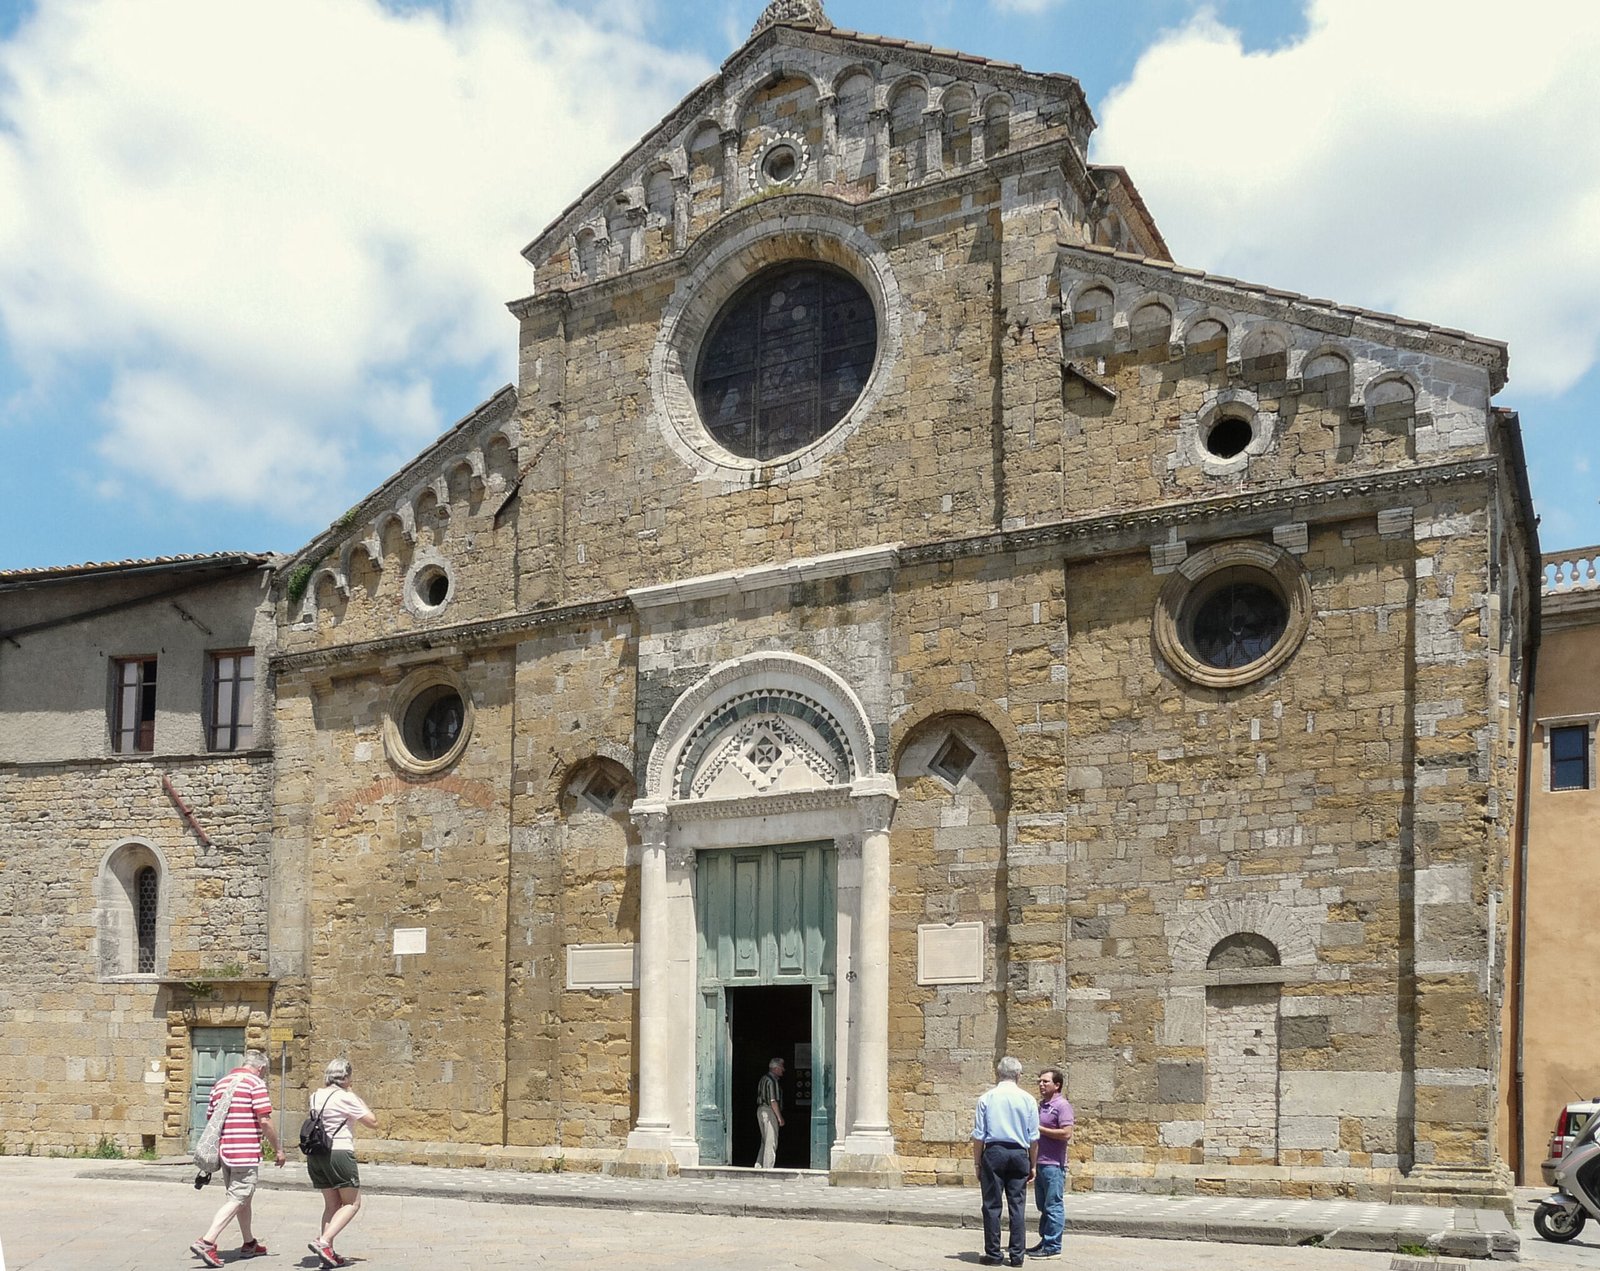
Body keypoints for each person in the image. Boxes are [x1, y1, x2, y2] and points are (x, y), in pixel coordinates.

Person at [190, 1049, 285, 1268]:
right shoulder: (255, 1084)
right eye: (264, 1072)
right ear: (260, 1068)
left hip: (226, 1151)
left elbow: (211, 1117)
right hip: (245, 1151)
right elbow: (265, 1121)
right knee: (238, 1197)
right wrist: (278, 1149)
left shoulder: (221, 1083)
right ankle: (207, 1241)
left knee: (243, 1198)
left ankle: (249, 1242)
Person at [305, 1057, 378, 1270]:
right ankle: (323, 1241)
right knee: (352, 1203)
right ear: (347, 1077)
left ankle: (327, 1252)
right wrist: (354, 1095)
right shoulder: (346, 1097)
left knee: (331, 1204)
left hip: (316, 1153)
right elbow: (372, 1122)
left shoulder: (315, 1095)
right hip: (339, 1152)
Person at [971, 1056, 1039, 1267]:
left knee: (992, 1205)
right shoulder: (1028, 1099)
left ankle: (993, 1253)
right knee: (1017, 1205)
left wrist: (977, 1162)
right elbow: (1033, 1137)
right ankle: (1017, 1255)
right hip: (1019, 1153)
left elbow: (978, 1135)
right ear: (1018, 1075)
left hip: (995, 1151)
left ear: (998, 1074)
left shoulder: (986, 1098)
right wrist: (1033, 1164)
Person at [1028, 1067, 1075, 1258]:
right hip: (1039, 1162)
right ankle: (1045, 1240)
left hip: (1054, 1165)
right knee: (1043, 1206)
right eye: (1039, 1081)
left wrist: (1039, 1129)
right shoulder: (1041, 1106)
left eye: (1045, 1081)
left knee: (1053, 1205)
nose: (1041, 1084)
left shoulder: (1062, 1106)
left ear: (1057, 1085)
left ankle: (1053, 1246)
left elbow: (1066, 1133)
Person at [755, 1057, 785, 1169]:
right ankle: (768, 1168)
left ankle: (758, 1166)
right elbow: (773, 1101)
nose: (783, 1070)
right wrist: (779, 1117)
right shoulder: (772, 1081)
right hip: (769, 1111)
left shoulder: (763, 1079)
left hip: (760, 1111)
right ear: (776, 1068)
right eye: (782, 1067)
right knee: (771, 1141)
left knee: (765, 1140)